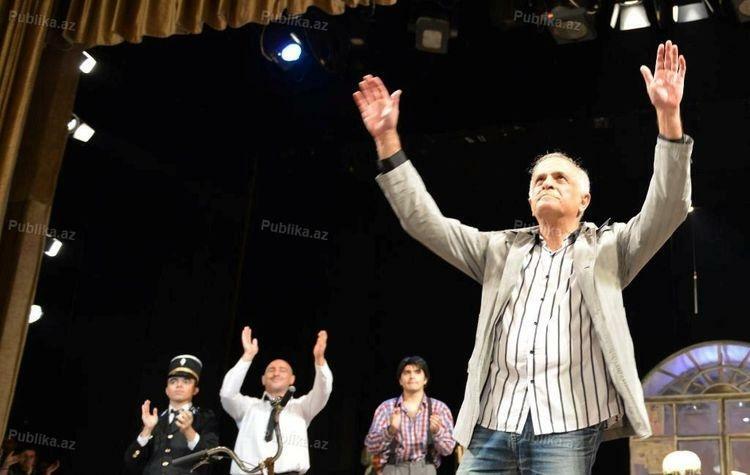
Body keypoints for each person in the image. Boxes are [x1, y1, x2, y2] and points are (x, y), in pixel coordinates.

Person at [353, 40, 692, 474]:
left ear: (584, 200)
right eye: (539, 180)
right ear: (530, 200)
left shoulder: (610, 248)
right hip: (493, 423)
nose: (547, 183)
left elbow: (668, 207)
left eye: (560, 178)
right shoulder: (498, 251)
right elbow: (424, 222)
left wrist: (668, 116)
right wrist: (387, 139)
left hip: (569, 425)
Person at [220, 327, 332, 475]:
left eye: (283, 370)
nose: (276, 373)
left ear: (292, 379)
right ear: (263, 379)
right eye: (271, 370)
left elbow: (323, 391)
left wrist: (319, 360)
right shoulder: (248, 407)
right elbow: (227, 394)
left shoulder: (301, 407)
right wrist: (247, 356)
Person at [124, 355, 219, 474]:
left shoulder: (204, 417)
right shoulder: (154, 419)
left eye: (186, 381)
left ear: (195, 390)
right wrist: (147, 430)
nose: (179, 385)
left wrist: (189, 431)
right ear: (167, 390)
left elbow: (212, 457)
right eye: (173, 381)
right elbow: (131, 462)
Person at [365, 356, 456, 475]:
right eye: (407, 372)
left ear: (425, 379)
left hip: (425, 469)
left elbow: (448, 450)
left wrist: (437, 432)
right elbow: (371, 447)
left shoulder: (439, 408)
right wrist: (390, 430)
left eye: (417, 372)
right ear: (400, 380)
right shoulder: (387, 408)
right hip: (393, 468)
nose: (412, 376)